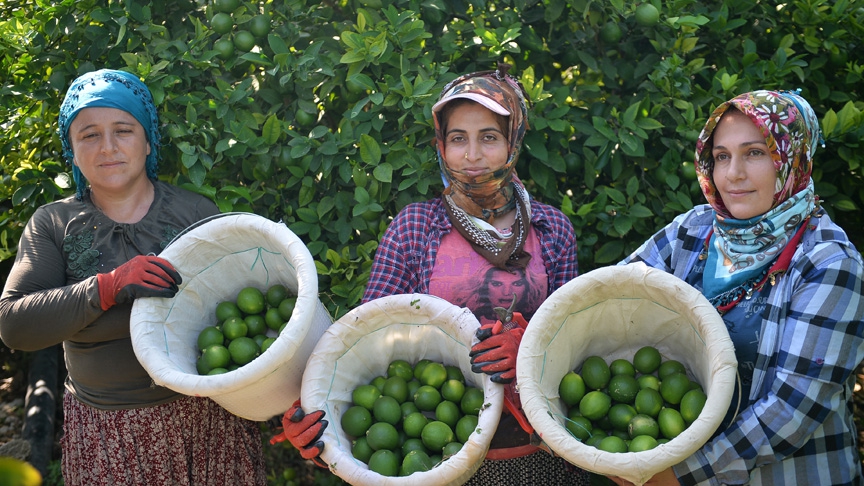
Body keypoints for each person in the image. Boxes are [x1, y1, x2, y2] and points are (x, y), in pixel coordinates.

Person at [276, 62, 587, 485]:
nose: (472, 155)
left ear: (514, 142)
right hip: (429, 458)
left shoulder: (551, 230)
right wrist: (314, 414)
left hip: (537, 459)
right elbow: (364, 346)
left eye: (489, 138)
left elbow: (576, 344)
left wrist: (532, 350)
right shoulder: (415, 227)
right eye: (458, 138)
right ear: (441, 144)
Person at [0, 69, 266, 485]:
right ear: (71, 149)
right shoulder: (53, 223)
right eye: (89, 135)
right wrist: (108, 286)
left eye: (123, 130)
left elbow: (248, 316)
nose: (107, 147)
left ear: (148, 141)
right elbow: (15, 325)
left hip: (209, 424)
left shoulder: (194, 215)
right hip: (109, 436)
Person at [614, 90, 864, 485]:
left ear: (792, 159)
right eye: (722, 156)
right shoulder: (693, 231)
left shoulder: (828, 263)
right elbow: (610, 295)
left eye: (755, 153)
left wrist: (677, 477)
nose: (733, 174)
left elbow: (790, 411)